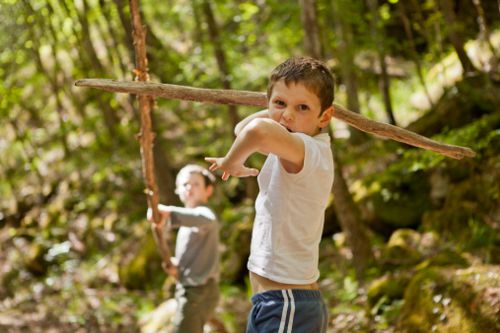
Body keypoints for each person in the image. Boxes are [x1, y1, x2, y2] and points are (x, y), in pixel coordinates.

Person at [206, 56, 335, 333]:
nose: (288, 115)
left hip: (286, 305)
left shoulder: (307, 151)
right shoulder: (293, 145)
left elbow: (256, 131)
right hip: (277, 304)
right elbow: (242, 130)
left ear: (324, 116)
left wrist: (231, 161)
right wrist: (281, 109)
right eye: (280, 103)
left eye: (302, 107)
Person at [147, 164, 220, 333]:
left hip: (198, 291)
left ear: (208, 191)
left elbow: (204, 219)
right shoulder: (187, 223)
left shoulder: (204, 214)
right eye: (185, 184)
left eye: (196, 184)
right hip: (191, 289)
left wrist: (168, 212)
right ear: (177, 190)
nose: (189, 187)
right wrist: (178, 268)